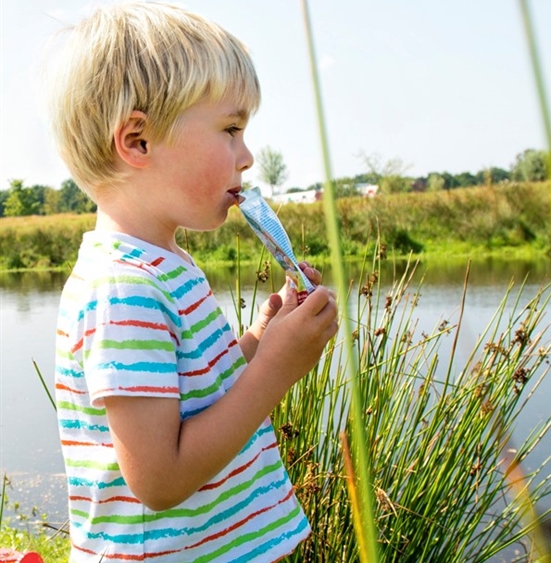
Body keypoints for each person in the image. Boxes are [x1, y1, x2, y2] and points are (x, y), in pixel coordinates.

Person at [47, 3, 339, 561]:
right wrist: (277, 368)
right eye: (230, 129)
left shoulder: (164, 264)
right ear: (138, 141)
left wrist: (260, 341)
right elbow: (159, 479)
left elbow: (196, 396)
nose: (247, 157)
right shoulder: (124, 288)